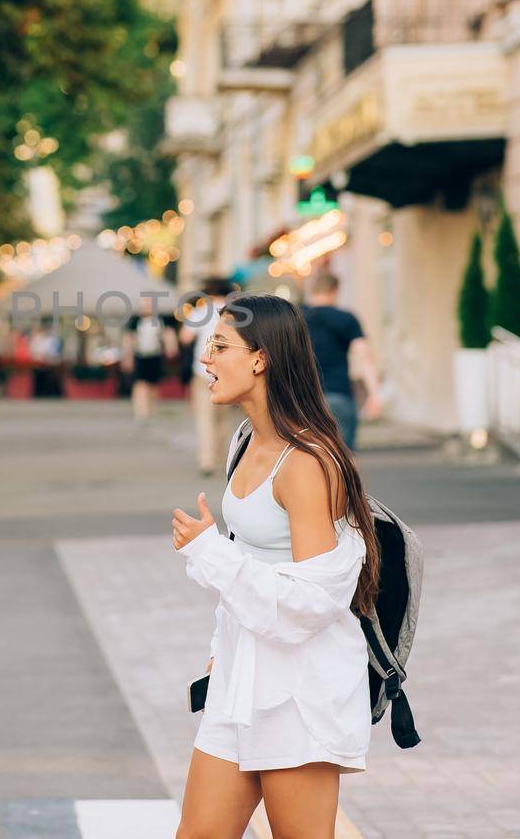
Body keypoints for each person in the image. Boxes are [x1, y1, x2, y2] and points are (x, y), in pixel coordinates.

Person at [171, 294, 382, 839]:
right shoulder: (245, 443)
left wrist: (209, 552)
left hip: (298, 693)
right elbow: (253, 561)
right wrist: (222, 651)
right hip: (241, 681)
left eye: (220, 347)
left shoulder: (308, 462)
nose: (206, 360)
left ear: (261, 358)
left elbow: (312, 603)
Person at [301, 273, 382, 450]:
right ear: (335, 291)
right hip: (339, 394)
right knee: (346, 457)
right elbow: (364, 356)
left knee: (309, 458)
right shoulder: (346, 318)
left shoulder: (296, 318)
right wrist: (374, 394)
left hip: (304, 398)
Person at [180, 280, 235, 475]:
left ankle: (207, 460)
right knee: (224, 417)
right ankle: (222, 458)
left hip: (202, 369)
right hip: (228, 370)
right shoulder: (235, 314)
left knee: (205, 417)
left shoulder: (201, 311)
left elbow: (185, 337)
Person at [124, 296, 176, 424]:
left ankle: (151, 410)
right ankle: (141, 412)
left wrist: (171, 347)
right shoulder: (135, 321)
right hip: (140, 356)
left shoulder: (160, 320)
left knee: (153, 385)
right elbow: (129, 340)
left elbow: (168, 335)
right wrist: (128, 357)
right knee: (140, 385)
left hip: (155, 356)